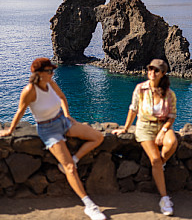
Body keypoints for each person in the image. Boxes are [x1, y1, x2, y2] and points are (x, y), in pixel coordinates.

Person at [0, 57, 106, 220]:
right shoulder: (30, 91)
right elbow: (20, 111)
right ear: (39, 73)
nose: (52, 73)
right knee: (70, 167)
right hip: (48, 130)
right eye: (49, 71)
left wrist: (68, 115)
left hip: (62, 121)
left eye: (52, 71)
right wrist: (10, 130)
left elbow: (63, 98)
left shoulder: (51, 84)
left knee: (98, 137)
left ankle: (75, 158)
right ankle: (89, 206)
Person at [112, 59, 178, 216]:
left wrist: (163, 131)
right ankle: (164, 198)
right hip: (144, 127)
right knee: (154, 159)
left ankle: (159, 166)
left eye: (156, 70)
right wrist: (125, 128)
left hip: (162, 125)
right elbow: (133, 109)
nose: (152, 73)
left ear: (163, 73)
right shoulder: (140, 89)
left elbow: (172, 115)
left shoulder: (169, 93)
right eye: (150, 69)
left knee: (172, 142)